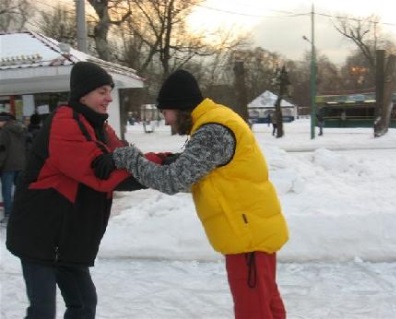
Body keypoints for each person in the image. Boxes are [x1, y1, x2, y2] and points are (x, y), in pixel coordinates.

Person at [93, 69, 290, 319]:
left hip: (247, 237)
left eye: (165, 113)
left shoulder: (212, 130)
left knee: (254, 310)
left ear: (180, 107)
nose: (166, 120)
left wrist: (130, 158)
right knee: (267, 303)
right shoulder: (215, 120)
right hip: (251, 230)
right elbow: (196, 177)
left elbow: (174, 181)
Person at [6, 61, 149, 319]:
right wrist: (159, 174)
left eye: (110, 91)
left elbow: (129, 160)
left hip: (67, 239)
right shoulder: (65, 123)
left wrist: (170, 162)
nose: (108, 98)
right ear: (83, 94)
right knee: (42, 312)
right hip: (39, 235)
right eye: (102, 91)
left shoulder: (99, 127)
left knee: (83, 305)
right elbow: (101, 174)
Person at [0, 112, 26, 225]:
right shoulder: (21, 130)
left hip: (8, 166)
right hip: (21, 164)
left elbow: (2, 150)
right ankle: (22, 212)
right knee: (20, 190)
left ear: (3, 121)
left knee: (6, 191)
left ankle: (8, 214)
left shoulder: (4, 131)